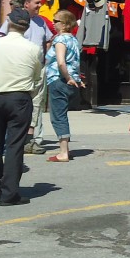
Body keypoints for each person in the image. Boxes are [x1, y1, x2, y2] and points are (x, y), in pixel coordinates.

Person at [0, 8, 40, 205]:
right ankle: (10, 193)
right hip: (19, 97)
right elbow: (36, 75)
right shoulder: (33, 48)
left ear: (9, 22)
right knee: (15, 145)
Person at [0, 0, 54, 155]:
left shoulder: (41, 22)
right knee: (17, 103)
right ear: (26, 4)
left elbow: (49, 40)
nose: (40, 5)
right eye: (37, 3)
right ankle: (12, 138)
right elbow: (2, 38)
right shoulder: (14, 20)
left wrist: (45, 59)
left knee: (36, 104)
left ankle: (29, 141)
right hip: (19, 69)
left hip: (38, 69)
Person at [43, 9, 83, 162]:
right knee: (62, 114)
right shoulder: (73, 40)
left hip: (59, 80)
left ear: (65, 24)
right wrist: (76, 78)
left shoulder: (60, 40)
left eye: (56, 21)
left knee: (58, 116)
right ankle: (65, 149)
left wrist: (67, 77)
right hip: (71, 80)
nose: (53, 23)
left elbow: (61, 62)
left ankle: (63, 152)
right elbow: (75, 62)